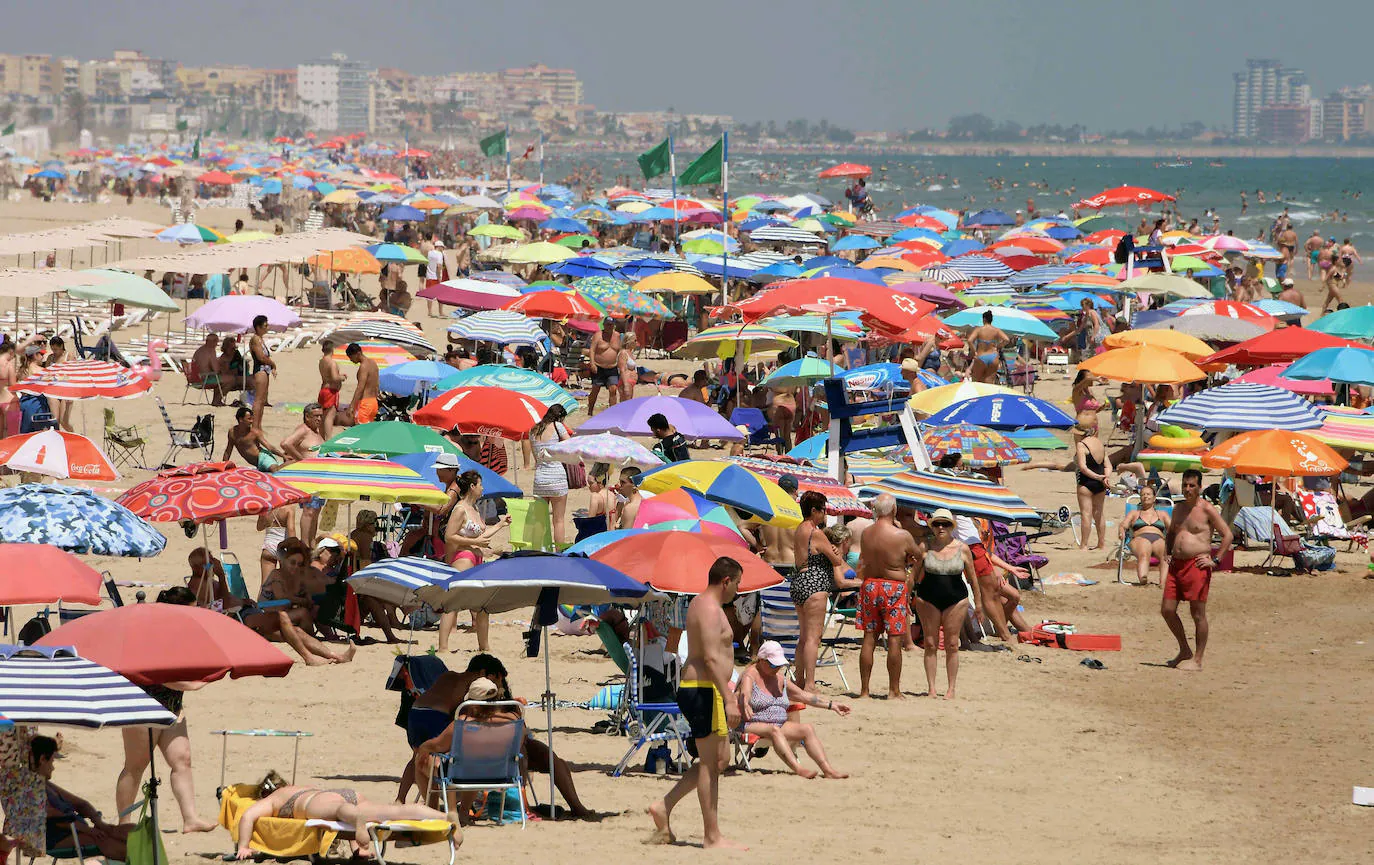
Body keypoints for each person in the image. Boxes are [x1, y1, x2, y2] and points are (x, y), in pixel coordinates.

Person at [411, 658, 594, 819]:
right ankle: (559, 807)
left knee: (437, 758)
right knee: (540, 756)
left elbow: (433, 746)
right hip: (504, 766)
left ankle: (438, 810)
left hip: (471, 766)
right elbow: (522, 739)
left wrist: (425, 751)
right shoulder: (513, 717)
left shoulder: (463, 722)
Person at [647, 557, 747, 850]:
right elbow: (710, 658)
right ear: (726, 580)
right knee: (709, 766)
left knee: (716, 761)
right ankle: (711, 836)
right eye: (737, 583)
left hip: (705, 688)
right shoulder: (709, 609)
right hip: (704, 688)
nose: (738, 591)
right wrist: (728, 697)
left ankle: (664, 806)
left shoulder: (704, 605)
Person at [113, 589, 219, 835]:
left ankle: (190, 818)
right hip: (141, 706)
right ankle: (124, 822)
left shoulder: (182, 634)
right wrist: (194, 684)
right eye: (192, 608)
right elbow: (156, 675)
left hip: (172, 707)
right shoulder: (150, 634)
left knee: (182, 760)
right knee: (136, 765)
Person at [234, 778, 457, 861]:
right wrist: (358, 847)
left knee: (341, 811)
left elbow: (248, 816)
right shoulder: (296, 786)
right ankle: (444, 816)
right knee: (393, 811)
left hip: (313, 802)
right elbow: (344, 828)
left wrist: (243, 846)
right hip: (344, 793)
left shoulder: (274, 799)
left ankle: (356, 818)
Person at [736, 641, 850, 779]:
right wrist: (746, 702)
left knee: (807, 729)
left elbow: (804, 696)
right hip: (749, 724)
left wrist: (832, 705)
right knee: (773, 730)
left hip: (777, 724)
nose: (777, 668)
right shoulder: (750, 675)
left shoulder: (779, 679)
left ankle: (828, 770)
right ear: (761, 660)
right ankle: (798, 768)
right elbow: (745, 693)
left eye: (779, 665)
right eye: (773, 664)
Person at [247, 538, 356, 666]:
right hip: (267, 618)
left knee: (299, 628)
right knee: (303, 615)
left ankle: (337, 656)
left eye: (299, 564)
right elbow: (281, 599)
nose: (296, 567)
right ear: (284, 561)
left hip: (280, 619)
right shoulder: (276, 575)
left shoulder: (291, 577)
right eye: (292, 563)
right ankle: (313, 653)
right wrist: (301, 600)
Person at [790, 491, 860, 691]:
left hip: (799, 582)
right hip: (815, 584)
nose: (825, 514)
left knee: (803, 637)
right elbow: (837, 561)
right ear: (814, 511)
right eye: (823, 510)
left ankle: (800, 680)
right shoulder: (816, 532)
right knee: (813, 638)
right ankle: (810, 684)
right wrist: (835, 552)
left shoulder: (799, 530)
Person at [1163, 469, 1232, 671]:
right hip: (1176, 565)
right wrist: (1168, 551)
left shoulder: (1207, 509)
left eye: (1192, 485)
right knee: (1167, 610)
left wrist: (1216, 560)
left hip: (1197, 565)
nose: (1187, 489)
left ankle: (1198, 659)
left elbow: (1227, 535)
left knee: (1198, 613)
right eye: (1185, 485)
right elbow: (1171, 532)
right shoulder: (1178, 509)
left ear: (1200, 487)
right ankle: (1184, 650)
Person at [857, 493, 920, 700]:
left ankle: (865, 691)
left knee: (869, 637)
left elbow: (864, 559)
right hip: (893, 587)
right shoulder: (901, 535)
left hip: (870, 585)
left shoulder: (866, 533)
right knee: (894, 639)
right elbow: (917, 557)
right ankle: (893, 690)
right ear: (893, 510)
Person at [32, 736, 136, 859]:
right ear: (43, 759)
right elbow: (56, 818)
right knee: (105, 840)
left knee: (133, 831)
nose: (53, 767)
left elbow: (82, 804)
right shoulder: (32, 789)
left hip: (74, 829)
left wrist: (100, 823)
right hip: (54, 838)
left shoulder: (46, 784)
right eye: (52, 761)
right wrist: (88, 830)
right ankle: (137, 859)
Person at [439, 470, 509, 653]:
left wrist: (500, 525)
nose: (483, 488)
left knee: (482, 605)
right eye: (480, 485)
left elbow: (481, 535)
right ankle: (443, 647)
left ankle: (484, 647)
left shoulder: (475, 509)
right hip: (463, 557)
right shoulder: (460, 509)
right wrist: (474, 542)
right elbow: (449, 536)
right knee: (452, 602)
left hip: (477, 557)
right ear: (472, 487)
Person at [913, 508, 978, 699]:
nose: (941, 527)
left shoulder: (962, 548)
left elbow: (973, 579)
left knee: (952, 644)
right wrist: (909, 596)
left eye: (945, 524)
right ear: (932, 526)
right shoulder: (925, 546)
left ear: (951, 527)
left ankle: (951, 688)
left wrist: (980, 605)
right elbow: (914, 575)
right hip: (928, 598)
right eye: (937, 524)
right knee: (930, 644)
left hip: (956, 599)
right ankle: (931, 688)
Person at [530, 403, 571, 546]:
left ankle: (540, 550)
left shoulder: (533, 430)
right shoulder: (557, 426)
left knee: (540, 520)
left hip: (540, 479)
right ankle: (559, 551)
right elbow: (569, 446)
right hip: (557, 477)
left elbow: (536, 459)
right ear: (559, 417)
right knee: (558, 520)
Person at [1122, 483, 1171, 586]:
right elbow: (1123, 525)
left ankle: (1163, 583)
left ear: (1154, 498)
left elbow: (1172, 528)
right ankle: (1143, 578)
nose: (1145, 496)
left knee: (1165, 555)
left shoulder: (1162, 514)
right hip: (1139, 538)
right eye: (1143, 494)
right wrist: (1121, 531)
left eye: (1148, 494)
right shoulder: (1134, 513)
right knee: (1144, 552)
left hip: (1158, 538)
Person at [1074, 420, 1111, 551]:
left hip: (1086, 482)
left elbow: (1083, 468)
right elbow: (1108, 465)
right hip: (1101, 484)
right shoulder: (1099, 443)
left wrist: (1096, 477)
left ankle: (1084, 545)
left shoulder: (1081, 445)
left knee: (1086, 514)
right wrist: (1105, 478)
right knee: (1099, 513)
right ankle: (1101, 543)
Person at [225, 406, 286, 473]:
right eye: (249, 419)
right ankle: (286, 463)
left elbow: (269, 447)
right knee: (276, 469)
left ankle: (293, 461)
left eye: (252, 419)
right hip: (258, 464)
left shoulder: (254, 432)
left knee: (275, 470)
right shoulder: (232, 432)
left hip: (263, 457)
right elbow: (228, 450)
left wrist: (283, 456)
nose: (251, 421)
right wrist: (223, 465)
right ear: (241, 419)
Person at [247, 314, 276, 429]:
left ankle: (258, 425)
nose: (267, 327)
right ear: (258, 327)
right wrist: (273, 364)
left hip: (264, 370)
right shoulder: (255, 339)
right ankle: (255, 425)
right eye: (265, 325)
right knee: (258, 400)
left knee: (262, 400)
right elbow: (261, 357)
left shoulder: (259, 339)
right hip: (260, 370)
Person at [586, 320, 621, 415]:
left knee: (613, 389)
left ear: (614, 325)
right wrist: (592, 363)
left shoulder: (617, 336)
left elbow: (620, 351)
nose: (609, 326)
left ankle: (612, 412)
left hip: (612, 367)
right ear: (604, 325)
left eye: (611, 325)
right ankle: (590, 410)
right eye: (607, 324)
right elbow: (592, 350)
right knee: (595, 389)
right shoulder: (598, 335)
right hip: (598, 367)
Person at [967, 310, 1009, 384]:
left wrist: (974, 352)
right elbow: (1006, 340)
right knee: (989, 383)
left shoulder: (979, 330)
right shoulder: (996, 330)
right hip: (993, 356)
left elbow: (970, 340)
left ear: (984, 319)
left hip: (981, 356)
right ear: (991, 320)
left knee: (976, 382)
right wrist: (998, 346)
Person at [345, 343, 380, 425]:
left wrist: (351, 406)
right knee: (368, 432)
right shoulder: (373, 363)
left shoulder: (363, 367)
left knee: (361, 433)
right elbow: (377, 384)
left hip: (365, 403)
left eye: (351, 357)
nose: (351, 360)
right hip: (373, 403)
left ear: (358, 354)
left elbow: (360, 387)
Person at [317, 339, 344, 438]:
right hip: (331, 391)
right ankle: (328, 439)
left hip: (323, 389)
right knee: (329, 417)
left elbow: (328, 376)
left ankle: (321, 437)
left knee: (323, 416)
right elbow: (334, 378)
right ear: (332, 349)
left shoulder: (321, 361)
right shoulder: (332, 363)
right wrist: (342, 377)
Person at [190, 333, 224, 405]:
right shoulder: (210, 350)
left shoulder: (200, 350)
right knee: (230, 380)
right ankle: (217, 401)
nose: (216, 344)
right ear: (211, 342)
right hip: (204, 379)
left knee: (223, 378)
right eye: (216, 342)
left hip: (195, 378)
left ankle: (217, 400)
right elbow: (216, 369)